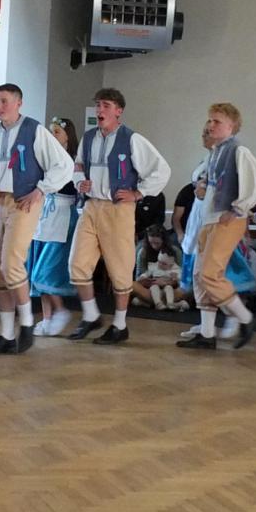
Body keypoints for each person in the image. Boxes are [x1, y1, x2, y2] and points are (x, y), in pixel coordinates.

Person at [0, 84, 73, 355]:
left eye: (4, 101)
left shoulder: (34, 130)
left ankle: (26, 324)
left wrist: (41, 190)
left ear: (19, 103)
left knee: (11, 263)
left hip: (24, 202)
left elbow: (64, 165)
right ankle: (6, 334)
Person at [67, 88, 171, 344]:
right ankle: (91, 315)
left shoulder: (132, 139)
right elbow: (78, 165)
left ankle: (120, 325)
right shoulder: (89, 138)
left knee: (120, 267)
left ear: (118, 110)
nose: (100, 110)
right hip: (91, 206)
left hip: (118, 209)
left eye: (105, 105)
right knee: (77, 264)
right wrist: (79, 181)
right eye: (98, 105)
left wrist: (139, 193)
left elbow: (161, 169)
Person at [180, 103, 256, 350]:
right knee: (200, 275)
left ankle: (246, 318)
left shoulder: (238, 150)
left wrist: (238, 208)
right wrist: (203, 189)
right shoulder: (216, 153)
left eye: (216, 121)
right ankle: (207, 333)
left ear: (231, 126)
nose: (210, 125)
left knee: (210, 273)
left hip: (225, 219)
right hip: (209, 219)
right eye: (210, 120)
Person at [29, 118, 80, 337]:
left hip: (62, 215)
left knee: (46, 270)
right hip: (44, 216)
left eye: (57, 132)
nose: (53, 136)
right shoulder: (44, 160)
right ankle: (47, 317)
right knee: (36, 271)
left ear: (68, 136)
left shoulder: (73, 161)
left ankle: (60, 310)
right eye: (51, 132)